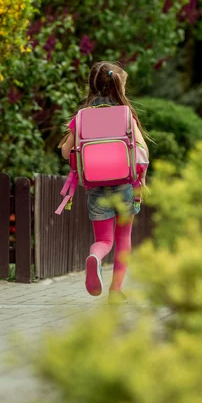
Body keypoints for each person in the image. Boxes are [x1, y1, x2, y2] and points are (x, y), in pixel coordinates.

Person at [59, 62, 149, 304]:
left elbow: (67, 151)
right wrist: (141, 180)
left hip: (96, 186)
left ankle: (95, 258)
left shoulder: (82, 117)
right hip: (124, 187)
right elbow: (142, 152)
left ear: (92, 85)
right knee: (123, 239)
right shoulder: (125, 115)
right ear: (119, 86)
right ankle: (115, 290)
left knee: (104, 241)